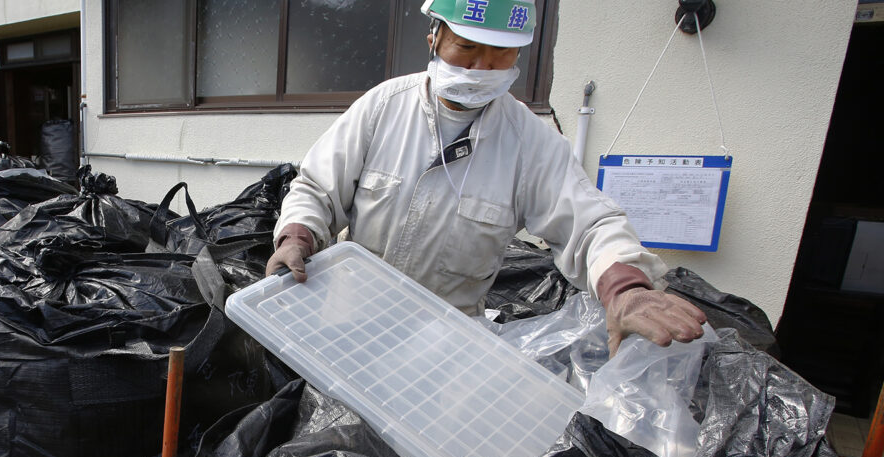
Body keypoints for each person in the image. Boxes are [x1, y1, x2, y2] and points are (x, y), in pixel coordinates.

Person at [267, 0, 707, 357]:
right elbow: (318, 188)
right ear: (434, 37)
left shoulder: (530, 142)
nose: (481, 68)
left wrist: (625, 287)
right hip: (348, 325)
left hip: (445, 346)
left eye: (500, 55)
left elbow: (591, 224)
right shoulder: (385, 107)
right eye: (467, 48)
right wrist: (298, 236)